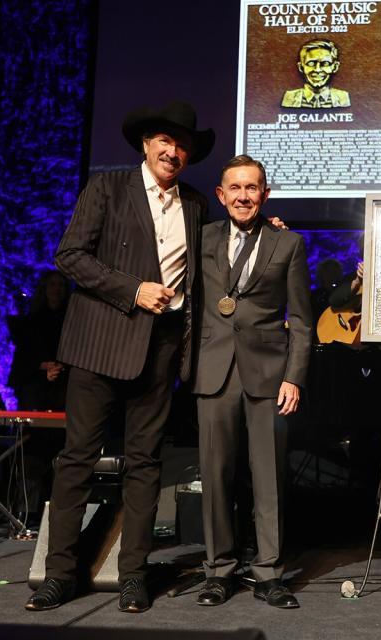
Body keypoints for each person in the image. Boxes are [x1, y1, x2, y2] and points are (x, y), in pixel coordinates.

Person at [24, 101, 214, 614]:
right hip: (98, 347)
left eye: (182, 146)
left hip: (160, 352)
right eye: (165, 142)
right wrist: (133, 290)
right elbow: (70, 256)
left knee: (147, 466)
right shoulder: (107, 188)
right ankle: (61, 574)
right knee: (77, 461)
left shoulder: (196, 205)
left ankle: (133, 575)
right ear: (146, 145)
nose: (173, 152)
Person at [192, 155, 311, 609]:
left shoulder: (289, 243)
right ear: (221, 196)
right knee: (216, 478)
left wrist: (294, 377)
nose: (244, 196)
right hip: (213, 370)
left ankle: (268, 574)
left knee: (269, 481)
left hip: (268, 375)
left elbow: (301, 319)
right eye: (235, 188)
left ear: (265, 193)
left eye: (253, 187)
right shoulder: (199, 239)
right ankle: (219, 571)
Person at [7, 270, 71, 412]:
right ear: (45, 288)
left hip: (63, 376)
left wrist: (59, 367)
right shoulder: (32, 321)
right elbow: (24, 356)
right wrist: (43, 366)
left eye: (61, 285)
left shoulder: (72, 321)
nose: (57, 289)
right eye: (53, 284)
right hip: (35, 377)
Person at [280, 40, 351, 108]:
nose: (317, 70)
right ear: (301, 67)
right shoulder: (289, 98)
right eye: (311, 63)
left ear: (335, 67)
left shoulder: (343, 98)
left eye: (325, 64)